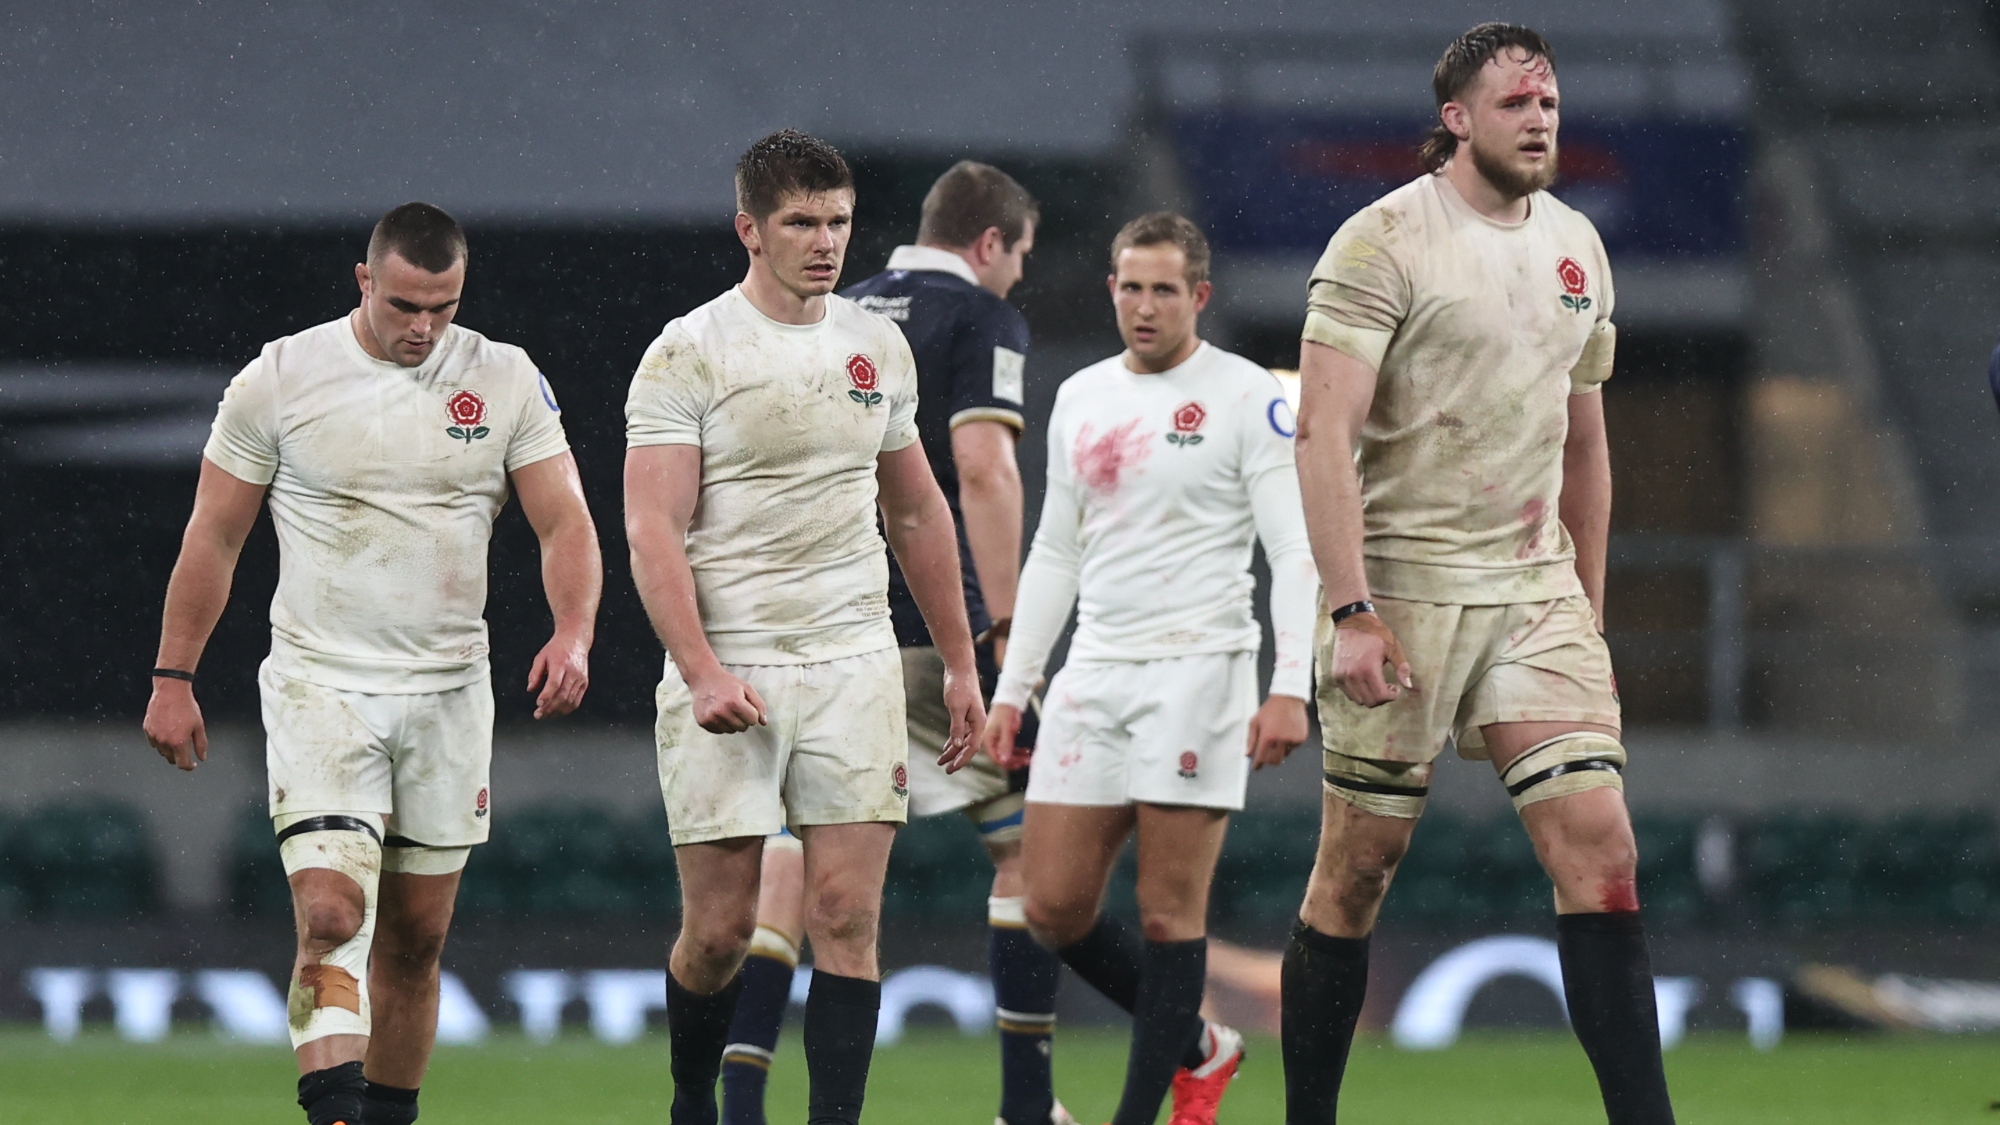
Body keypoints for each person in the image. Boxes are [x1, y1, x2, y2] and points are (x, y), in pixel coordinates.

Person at [1279, 23, 1676, 1125]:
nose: (1539, 118)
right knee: (1358, 871)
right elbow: (1320, 432)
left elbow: (1582, 446)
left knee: (1601, 855)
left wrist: (1584, 609)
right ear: (1455, 118)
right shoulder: (1382, 240)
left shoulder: (1576, 246)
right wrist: (1350, 609)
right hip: (1399, 588)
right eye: (1514, 102)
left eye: (1548, 100)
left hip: (1529, 589)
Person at [142, 202, 603, 1125]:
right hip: (324, 685)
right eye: (403, 305)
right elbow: (215, 535)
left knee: (416, 943)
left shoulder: (505, 378)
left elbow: (565, 523)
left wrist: (574, 630)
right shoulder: (280, 378)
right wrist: (172, 674)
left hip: (448, 692)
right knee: (331, 916)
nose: (424, 327)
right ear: (364, 281)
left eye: (443, 306)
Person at [623, 129, 986, 1125]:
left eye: (837, 222)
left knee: (845, 917)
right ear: (749, 229)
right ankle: (692, 1097)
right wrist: (697, 670)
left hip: (852, 660)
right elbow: (652, 527)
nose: (825, 242)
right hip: (728, 665)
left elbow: (914, 511)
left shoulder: (875, 346)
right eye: (800, 223)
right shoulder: (687, 351)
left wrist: (958, 661)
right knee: (718, 931)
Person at [715, 160, 1073, 1125]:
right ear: (991, 243)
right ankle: (1035, 1103)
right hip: (930, 631)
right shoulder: (980, 318)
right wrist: (1003, 645)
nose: (1018, 280)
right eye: (1020, 259)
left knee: (792, 863)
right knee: (1037, 864)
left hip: (816, 633)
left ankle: (739, 1101)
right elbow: (983, 471)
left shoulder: (844, 309)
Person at [982, 212, 1319, 1125]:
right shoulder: (1084, 395)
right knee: (1050, 904)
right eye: (1130, 286)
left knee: (1171, 912)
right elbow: (1055, 549)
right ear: (1111, 290)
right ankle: (1203, 1044)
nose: (1144, 304)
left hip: (1198, 670)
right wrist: (1016, 688)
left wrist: (1293, 683)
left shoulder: (1251, 396)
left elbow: (1294, 552)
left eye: (1164, 289)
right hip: (1095, 669)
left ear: (1198, 297)